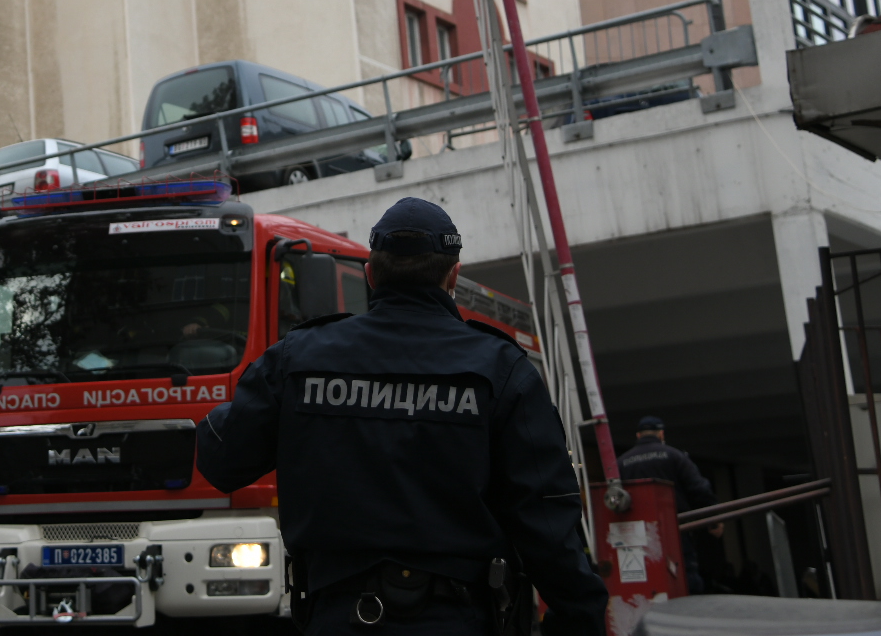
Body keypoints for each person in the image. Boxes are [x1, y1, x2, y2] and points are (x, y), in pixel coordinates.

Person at [196, 197, 607, 635]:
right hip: (458, 619)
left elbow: (222, 460)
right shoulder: (500, 370)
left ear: (371, 274)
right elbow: (547, 522)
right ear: (454, 274)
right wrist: (579, 618)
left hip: (336, 618)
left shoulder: (298, 360)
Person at [618, 416, 724, 593]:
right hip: (674, 527)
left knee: (642, 576)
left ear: (638, 435)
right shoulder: (674, 456)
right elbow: (699, 489)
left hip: (636, 532)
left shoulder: (622, 462)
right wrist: (713, 519)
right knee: (684, 574)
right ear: (661, 434)